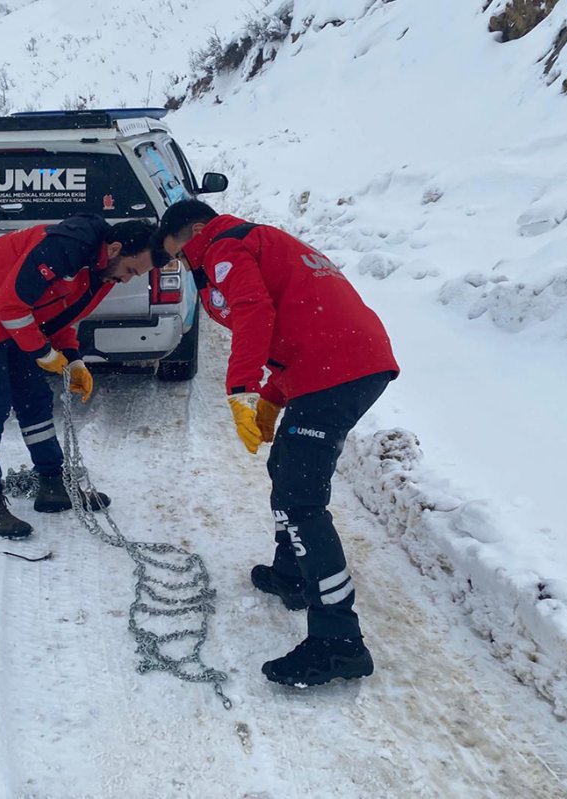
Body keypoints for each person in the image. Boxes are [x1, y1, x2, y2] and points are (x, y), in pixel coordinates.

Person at [153, 199, 399, 687]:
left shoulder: (222, 248)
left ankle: (338, 641)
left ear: (195, 230)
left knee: (301, 498)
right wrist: (270, 396)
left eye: (178, 252)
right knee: (285, 465)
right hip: (341, 362)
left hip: (337, 371)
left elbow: (254, 310)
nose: (182, 263)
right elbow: (301, 324)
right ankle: (291, 573)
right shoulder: (256, 241)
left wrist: (240, 386)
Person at [0, 213, 158, 540]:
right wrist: (44, 354)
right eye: (131, 270)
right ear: (115, 248)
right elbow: (12, 307)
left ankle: (53, 484)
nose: (128, 279)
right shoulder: (65, 248)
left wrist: (73, 359)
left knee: (34, 400)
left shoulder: (101, 270)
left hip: (10, 316)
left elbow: (61, 316)